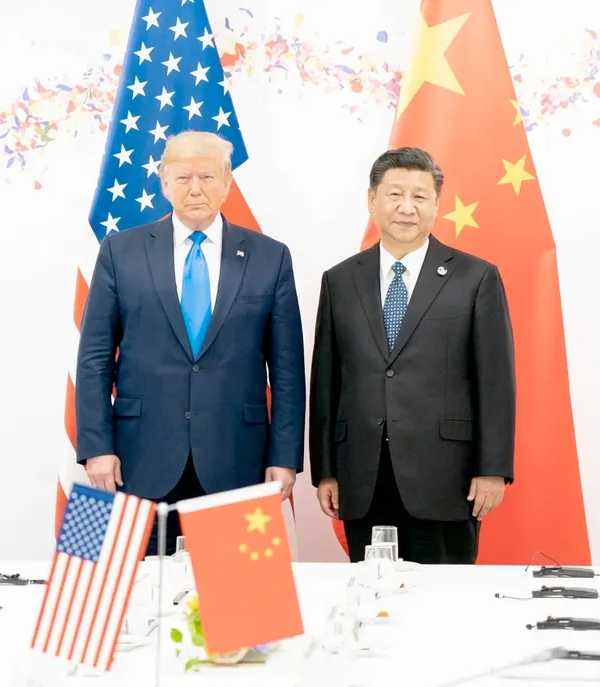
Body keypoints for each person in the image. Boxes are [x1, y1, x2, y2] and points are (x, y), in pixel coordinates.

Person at [75, 131, 306, 556]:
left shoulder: (270, 257)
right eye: (182, 178)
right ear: (164, 183)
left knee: (242, 595)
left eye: (207, 176)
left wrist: (285, 456)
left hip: (238, 463)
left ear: (227, 182)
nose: (195, 189)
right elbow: (94, 360)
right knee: (134, 593)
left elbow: (287, 370)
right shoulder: (120, 252)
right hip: (136, 462)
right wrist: (96, 448)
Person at [308, 147, 515, 565]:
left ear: (436, 205)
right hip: (363, 478)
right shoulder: (341, 280)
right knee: (371, 594)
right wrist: (325, 469)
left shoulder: (476, 278)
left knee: (443, 597)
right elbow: (327, 381)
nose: (407, 208)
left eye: (420, 197)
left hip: (447, 477)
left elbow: (495, 381)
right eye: (395, 195)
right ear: (372, 200)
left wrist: (492, 468)